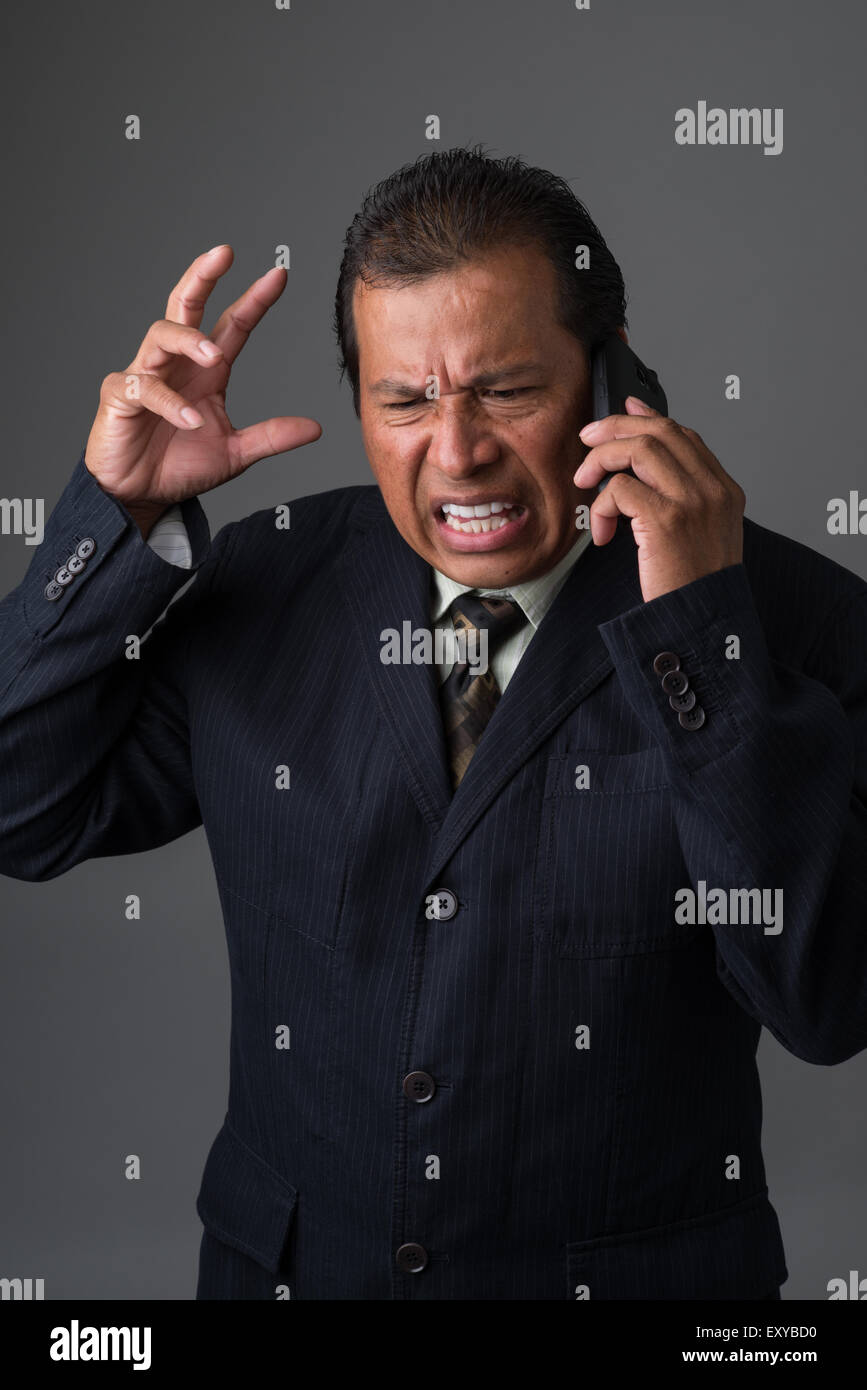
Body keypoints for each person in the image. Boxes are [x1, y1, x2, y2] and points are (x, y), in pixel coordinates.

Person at [1, 146, 865, 1301]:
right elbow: (20, 809)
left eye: (507, 390)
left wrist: (703, 635)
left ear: (618, 385)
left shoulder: (790, 617)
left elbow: (825, 1001)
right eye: (404, 400)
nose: (455, 452)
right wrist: (113, 518)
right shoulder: (265, 582)